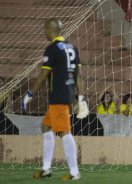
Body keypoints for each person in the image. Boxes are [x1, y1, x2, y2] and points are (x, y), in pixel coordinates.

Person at [22, 18, 89, 180]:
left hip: (58, 96)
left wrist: (30, 94)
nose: (44, 33)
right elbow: (79, 77)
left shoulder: (52, 49)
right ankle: (46, 168)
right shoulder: (73, 48)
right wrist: (81, 97)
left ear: (49, 30)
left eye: (45, 30)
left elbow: (43, 76)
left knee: (64, 132)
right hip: (67, 95)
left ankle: (74, 172)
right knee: (45, 126)